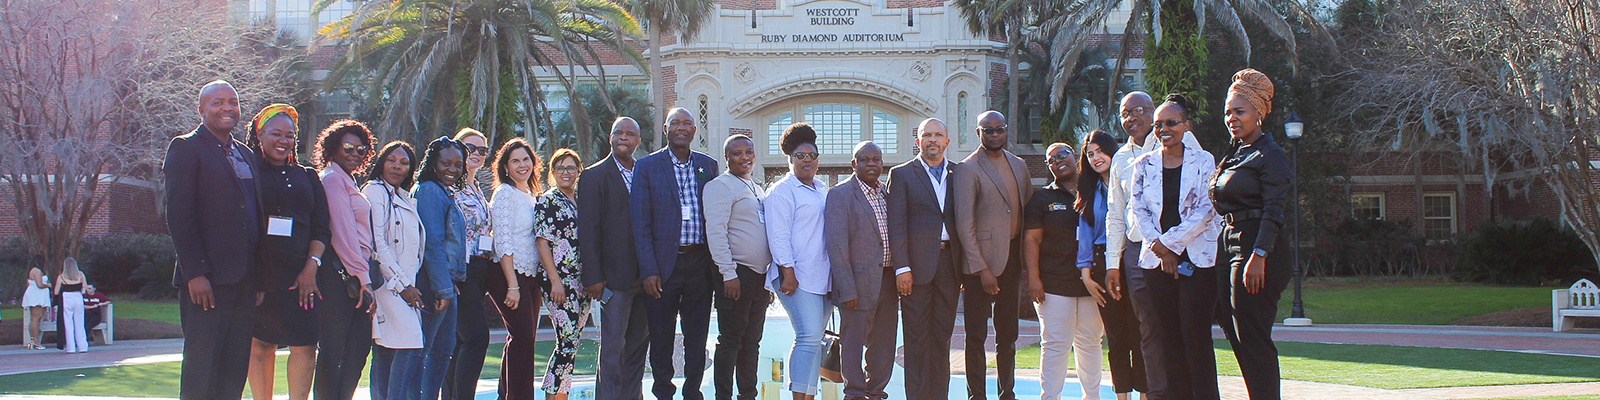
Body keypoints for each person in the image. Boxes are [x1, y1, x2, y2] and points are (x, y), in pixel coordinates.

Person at [165, 80, 262, 400]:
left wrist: (259, 277)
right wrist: (195, 272)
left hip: (245, 280)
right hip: (206, 281)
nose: (227, 108)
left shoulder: (246, 154)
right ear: (201, 109)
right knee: (201, 366)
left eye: (232, 102)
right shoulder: (186, 147)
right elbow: (179, 215)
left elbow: (254, 217)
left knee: (234, 367)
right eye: (218, 102)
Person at [1128, 94, 1222, 400]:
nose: (1164, 129)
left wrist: (1170, 246)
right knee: (1167, 339)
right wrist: (1160, 248)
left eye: (1171, 122)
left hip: (1196, 259)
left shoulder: (1203, 160)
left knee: (1196, 337)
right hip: (1156, 263)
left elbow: (1206, 211)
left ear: (1186, 125)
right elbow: (1138, 209)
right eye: (1159, 124)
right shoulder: (1143, 163)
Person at [1212, 69, 1296, 400]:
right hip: (1229, 243)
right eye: (1228, 112)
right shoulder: (1236, 153)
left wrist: (1258, 255)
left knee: (1253, 336)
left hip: (1257, 250)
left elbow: (1274, 210)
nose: (1231, 118)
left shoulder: (1270, 154)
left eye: (1239, 111)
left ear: (1258, 113)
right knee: (1234, 332)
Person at [629, 108, 719, 400]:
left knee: (696, 335)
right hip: (662, 265)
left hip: (699, 264)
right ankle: (663, 392)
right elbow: (640, 222)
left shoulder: (708, 166)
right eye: (675, 123)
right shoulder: (647, 166)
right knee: (661, 334)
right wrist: (648, 269)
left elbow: (715, 217)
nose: (681, 128)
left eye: (686, 124)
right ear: (666, 130)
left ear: (694, 130)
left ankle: (693, 391)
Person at [1103, 92, 1188, 400]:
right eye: (1126, 113)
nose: (1133, 117)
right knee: (1148, 328)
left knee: (1184, 324)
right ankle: (1158, 394)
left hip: (1180, 250)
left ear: (1153, 113)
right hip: (1139, 254)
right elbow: (1116, 214)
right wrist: (1113, 263)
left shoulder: (1180, 143)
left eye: (1141, 110)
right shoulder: (1121, 159)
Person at [245, 104, 329, 400]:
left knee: (305, 345)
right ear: (259, 134)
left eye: (290, 135)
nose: (284, 140)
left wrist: (311, 269)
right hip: (262, 274)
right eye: (276, 133)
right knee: (261, 345)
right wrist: (255, 278)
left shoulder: (308, 176)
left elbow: (321, 228)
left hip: (302, 276)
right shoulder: (247, 171)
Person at [952, 110, 1033, 400]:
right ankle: (977, 395)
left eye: (1000, 129)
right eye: (988, 130)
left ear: (1006, 131)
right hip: (980, 266)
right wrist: (981, 268)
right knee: (975, 336)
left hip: (1012, 260)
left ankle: (1007, 392)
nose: (995, 134)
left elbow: (1025, 211)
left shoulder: (1019, 165)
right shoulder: (967, 169)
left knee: (1008, 335)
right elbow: (964, 223)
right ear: (979, 132)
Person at [1023, 141, 1105, 400]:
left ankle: (1092, 396)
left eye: (1062, 154)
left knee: (1090, 344)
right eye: (1051, 159)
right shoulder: (1043, 197)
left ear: (1074, 156)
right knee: (1055, 345)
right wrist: (1034, 279)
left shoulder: (1097, 190)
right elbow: (1031, 240)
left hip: (1092, 283)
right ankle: (1050, 397)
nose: (1058, 160)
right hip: (1054, 285)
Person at [888, 118, 961, 399]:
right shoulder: (902, 174)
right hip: (915, 270)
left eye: (938, 135)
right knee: (916, 340)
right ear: (918, 141)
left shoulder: (959, 173)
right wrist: (902, 267)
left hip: (950, 266)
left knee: (942, 338)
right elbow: (897, 224)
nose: (932, 139)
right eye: (926, 135)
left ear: (947, 141)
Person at [579, 117, 648, 400]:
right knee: (611, 349)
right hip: (613, 280)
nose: (624, 137)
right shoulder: (594, 175)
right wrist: (593, 276)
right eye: (619, 132)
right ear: (610, 137)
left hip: (646, 277)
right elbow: (588, 229)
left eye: (630, 134)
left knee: (637, 348)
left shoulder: (645, 172)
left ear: (638, 141)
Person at [765, 123, 832, 400]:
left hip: (824, 276)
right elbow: (778, 236)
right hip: (797, 277)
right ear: (790, 159)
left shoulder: (822, 188)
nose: (807, 160)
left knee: (816, 342)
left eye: (812, 155)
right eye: (801, 156)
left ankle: (809, 395)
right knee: (807, 338)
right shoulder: (782, 192)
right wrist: (787, 273)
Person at [825, 141, 896, 400]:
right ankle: (854, 392)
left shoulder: (887, 194)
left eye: (876, 159)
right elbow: (836, 245)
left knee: (884, 342)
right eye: (865, 160)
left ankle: (876, 391)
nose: (871, 164)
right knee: (852, 343)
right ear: (854, 164)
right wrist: (846, 287)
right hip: (856, 282)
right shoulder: (840, 194)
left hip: (888, 280)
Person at [704, 134, 772, 400]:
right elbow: (716, 232)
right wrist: (727, 273)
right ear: (726, 158)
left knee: (751, 342)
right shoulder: (720, 186)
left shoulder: (755, 187)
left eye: (749, 152)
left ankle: (748, 395)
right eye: (737, 153)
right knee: (731, 340)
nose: (744, 157)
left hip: (759, 278)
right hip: (735, 274)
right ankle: (723, 395)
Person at [314, 120, 376, 400]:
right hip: (340, 277)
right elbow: (342, 233)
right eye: (348, 147)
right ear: (333, 148)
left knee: (358, 348)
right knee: (333, 351)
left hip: (355, 274)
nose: (355, 153)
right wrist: (364, 279)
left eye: (361, 149)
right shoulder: (331, 179)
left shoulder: (349, 179)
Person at [445, 128, 504, 400]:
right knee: (476, 338)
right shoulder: (446, 186)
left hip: (480, 269)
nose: (477, 154)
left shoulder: (477, 187)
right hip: (459, 271)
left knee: (459, 342)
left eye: (482, 150)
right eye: (471, 148)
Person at [364, 141, 426, 400]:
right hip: (389, 285)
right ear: (381, 162)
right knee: (410, 345)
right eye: (392, 160)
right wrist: (403, 286)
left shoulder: (403, 195)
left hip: (404, 283)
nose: (397, 166)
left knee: (387, 350)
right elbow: (378, 243)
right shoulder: (375, 191)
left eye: (404, 162)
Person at [488, 137, 547, 400]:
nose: (522, 165)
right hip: (509, 275)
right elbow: (502, 241)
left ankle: (507, 396)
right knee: (522, 340)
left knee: (523, 340)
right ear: (506, 167)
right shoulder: (504, 194)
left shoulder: (531, 195)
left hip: (530, 275)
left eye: (526, 159)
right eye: (515, 161)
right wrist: (512, 284)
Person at [534, 149, 595, 399]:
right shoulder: (548, 200)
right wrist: (555, 282)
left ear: (579, 171)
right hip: (560, 283)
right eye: (560, 168)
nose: (566, 173)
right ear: (552, 173)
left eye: (571, 168)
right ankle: (552, 395)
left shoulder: (582, 200)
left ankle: (562, 394)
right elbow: (541, 243)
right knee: (566, 343)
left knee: (572, 345)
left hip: (582, 283)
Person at [415, 137, 468, 400]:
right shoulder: (429, 192)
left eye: (458, 164)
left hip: (446, 282)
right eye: (446, 163)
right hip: (433, 285)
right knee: (428, 353)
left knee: (442, 350)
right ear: (433, 163)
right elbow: (431, 244)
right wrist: (443, 289)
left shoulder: (443, 192)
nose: (452, 169)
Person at [54, 258, 88, 353]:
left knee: (68, 323)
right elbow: (84, 288)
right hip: (78, 297)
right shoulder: (80, 275)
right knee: (80, 323)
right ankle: (82, 347)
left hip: (67, 298)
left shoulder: (61, 277)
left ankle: (70, 348)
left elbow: (56, 292)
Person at [22, 256, 51, 350]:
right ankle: (35, 341)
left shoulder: (32, 270)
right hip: (37, 296)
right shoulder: (36, 271)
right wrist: (48, 285)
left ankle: (33, 340)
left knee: (36, 318)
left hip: (37, 295)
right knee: (35, 318)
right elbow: (39, 284)